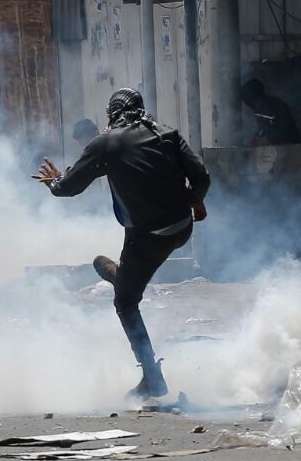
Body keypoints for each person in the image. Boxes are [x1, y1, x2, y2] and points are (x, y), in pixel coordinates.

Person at [34, 87, 211, 401]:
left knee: (125, 302)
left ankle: (152, 377)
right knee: (131, 277)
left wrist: (54, 181)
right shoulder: (167, 134)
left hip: (147, 238)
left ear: (112, 115)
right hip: (182, 229)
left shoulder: (104, 143)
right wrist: (196, 202)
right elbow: (202, 175)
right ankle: (125, 277)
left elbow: (67, 189)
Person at [241, 78, 300, 146]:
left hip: (291, 147)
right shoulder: (262, 106)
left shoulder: (267, 104)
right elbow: (264, 127)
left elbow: (286, 130)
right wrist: (257, 137)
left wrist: (267, 139)